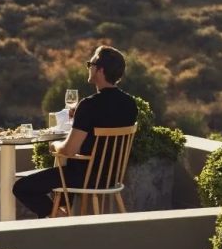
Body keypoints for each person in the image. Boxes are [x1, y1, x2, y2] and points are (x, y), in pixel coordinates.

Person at [13, 45, 138, 218]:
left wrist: (55, 145)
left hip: (85, 177)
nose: (89, 67)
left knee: (21, 187)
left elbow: (69, 150)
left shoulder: (89, 105)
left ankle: (60, 217)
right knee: (62, 180)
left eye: (91, 64)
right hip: (111, 177)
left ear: (100, 70)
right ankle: (66, 217)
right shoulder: (130, 104)